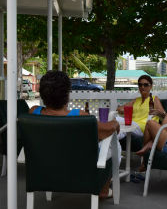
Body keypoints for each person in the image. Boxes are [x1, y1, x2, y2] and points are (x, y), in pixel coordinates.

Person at [29, 70, 121, 199]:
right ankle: (103, 190)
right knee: (115, 144)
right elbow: (108, 129)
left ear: (42, 94)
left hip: (47, 170)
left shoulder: (33, 112)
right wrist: (116, 124)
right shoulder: (80, 116)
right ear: (67, 94)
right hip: (79, 171)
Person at [116, 75, 166, 140]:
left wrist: (158, 113)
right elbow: (119, 109)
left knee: (119, 122)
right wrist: (124, 111)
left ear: (150, 86)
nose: (142, 87)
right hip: (132, 126)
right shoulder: (136, 100)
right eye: (140, 85)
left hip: (144, 128)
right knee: (117, 127)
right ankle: (111, 145)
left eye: (145, 85)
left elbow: (164, 116)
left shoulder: (154, 99)